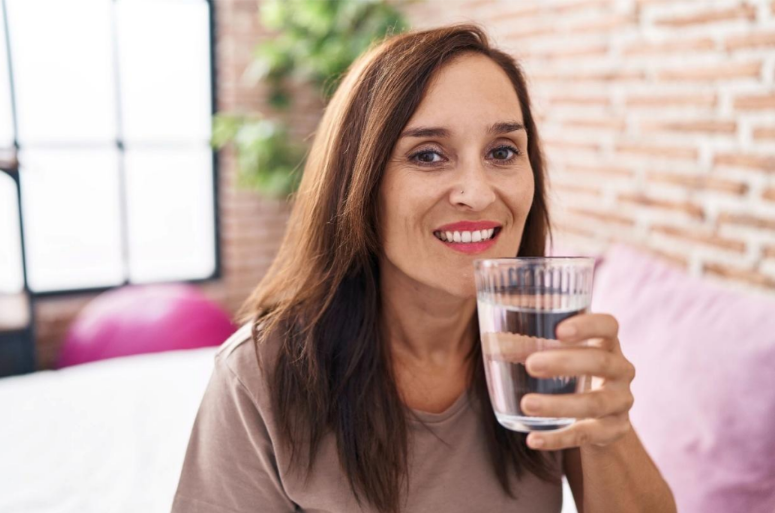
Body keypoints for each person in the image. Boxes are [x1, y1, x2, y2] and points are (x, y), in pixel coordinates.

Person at [172, 24, 676, 513]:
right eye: (429, 155)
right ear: (361, 185)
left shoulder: (541, 349)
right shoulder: (259, 377)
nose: (477, 193)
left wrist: (609, 432)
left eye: (502, 151)